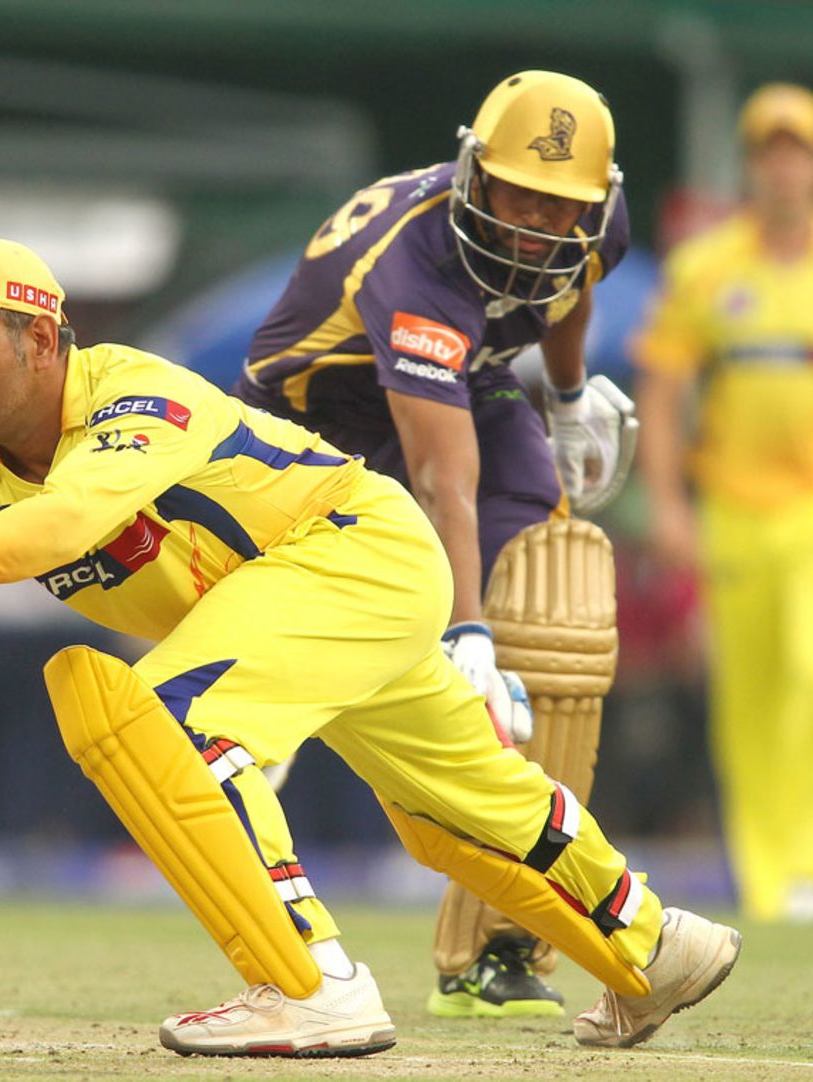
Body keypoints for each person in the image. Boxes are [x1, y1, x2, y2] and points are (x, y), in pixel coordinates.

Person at [0, 235, 738, 1057]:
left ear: (39, 338)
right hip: (289, 609)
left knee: (173, 721)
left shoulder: (137, 394)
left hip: (355, 551)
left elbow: (71, 518)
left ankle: (311, 982)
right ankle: (658, 949)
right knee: (452, 810)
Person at [234, 70, 638, 1016]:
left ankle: (496, 950)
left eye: (563, 203)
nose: (539, 220)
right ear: (473, 173)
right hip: (315, 425)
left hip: (466, 383)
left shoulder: (592, 228)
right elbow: (440, 474)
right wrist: (467, 631)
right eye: (519, 193)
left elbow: (568, 284)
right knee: (435, 644)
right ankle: (262, 734)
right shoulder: (417, 262)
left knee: (554, 606)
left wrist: (570, 396)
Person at [634, 82, 813, 922]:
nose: (785, 169)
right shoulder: (708, 268)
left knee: (807, 673)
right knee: (746, 697)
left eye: (799, 152)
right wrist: (667, 504)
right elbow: (663, 392)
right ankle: (769, 882)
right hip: (736, 508)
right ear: (750, 165)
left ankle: (803, 861)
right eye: (770, 153)